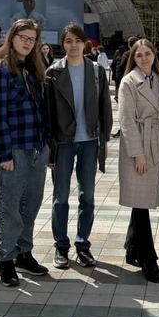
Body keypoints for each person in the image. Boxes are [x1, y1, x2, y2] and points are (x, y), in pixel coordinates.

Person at [0, 18, 52, 287]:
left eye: (32, 39)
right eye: (23, 37)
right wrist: (5, 154)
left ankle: (24, 252)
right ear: (11, 37)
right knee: (10, 206)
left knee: (31, 204)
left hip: (37, 147)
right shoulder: (0, 71)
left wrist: (47, 145)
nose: (27, 43)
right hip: (14, 149)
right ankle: (6, 258)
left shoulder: (35, 69)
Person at [46, 24, 112, 270]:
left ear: (86, 44)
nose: (73, 45)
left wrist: (104, 139)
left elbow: (105, 106)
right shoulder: (53, 73)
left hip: (90, 141)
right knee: (60, 196)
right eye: (68, 41)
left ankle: (83, 245)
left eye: (77, 41)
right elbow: (48, 112)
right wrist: (50, 146)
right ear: (62, 44)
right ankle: (61, 245)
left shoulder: (95, 71)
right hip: (63, 142)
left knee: (88, 196)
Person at [118, 39, 159, 283]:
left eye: (148, 53)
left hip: (155, 140)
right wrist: (138, 153)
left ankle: (132, 247)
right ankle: (148, 257)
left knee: (142, 200)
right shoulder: (128, 82)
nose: (144, 58)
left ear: (154, 55)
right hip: (137, 144)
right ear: (133, 58)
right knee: (140, 202)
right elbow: (126, 121)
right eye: (139, 55)